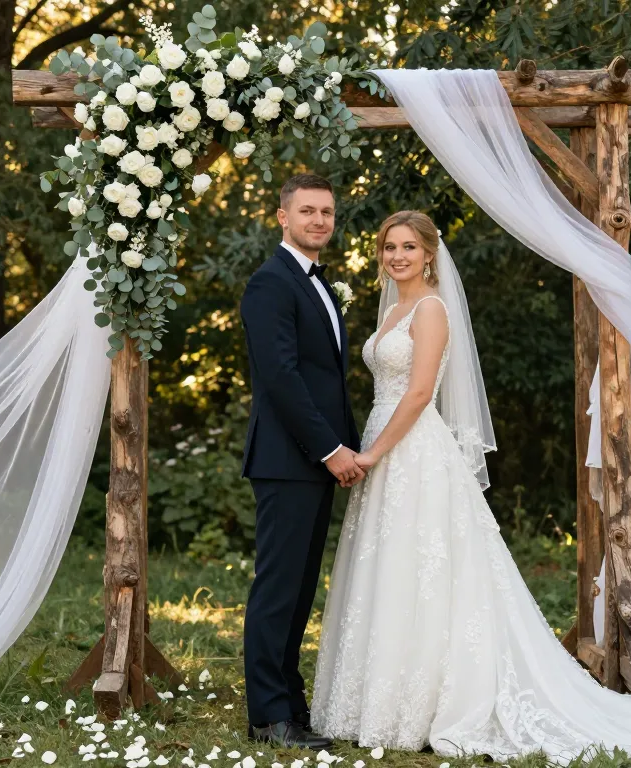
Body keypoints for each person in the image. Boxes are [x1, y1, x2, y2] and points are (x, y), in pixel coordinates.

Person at [309, 210, 631, 765]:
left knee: (429, 568)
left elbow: (419, 395)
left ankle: (429, 700)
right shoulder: (393, 308)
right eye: (389, 247)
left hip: (411, 449)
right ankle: (378, 699)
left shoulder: (431, 309)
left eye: (409, 247)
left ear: (429, 255)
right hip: (386, 446)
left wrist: (371, 452)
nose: (397, 256)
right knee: (390, 567)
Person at [238, 173, 361, 748]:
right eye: (307, 211)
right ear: (282, 216)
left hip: (313, 462)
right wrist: (332, 449)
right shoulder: (271, 284)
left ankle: (290, 705)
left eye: (327, 212)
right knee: (278, 590)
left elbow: (327, 379)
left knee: (300, 590)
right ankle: (267, 717)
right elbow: (282, 380)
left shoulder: (317, 283)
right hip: (289, 460)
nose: (319, 220)